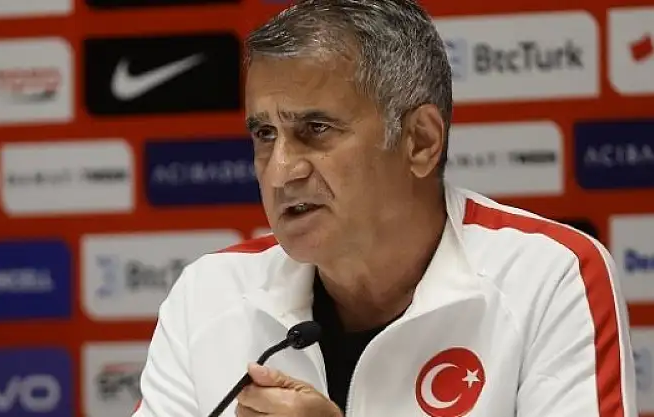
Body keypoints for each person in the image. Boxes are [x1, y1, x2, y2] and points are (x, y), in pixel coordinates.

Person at [131, 1, 638, 416]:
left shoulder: (548, 277)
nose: (280, 171)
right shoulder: (208, 295)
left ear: (420, 142)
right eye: (265, 134)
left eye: (315, 130)